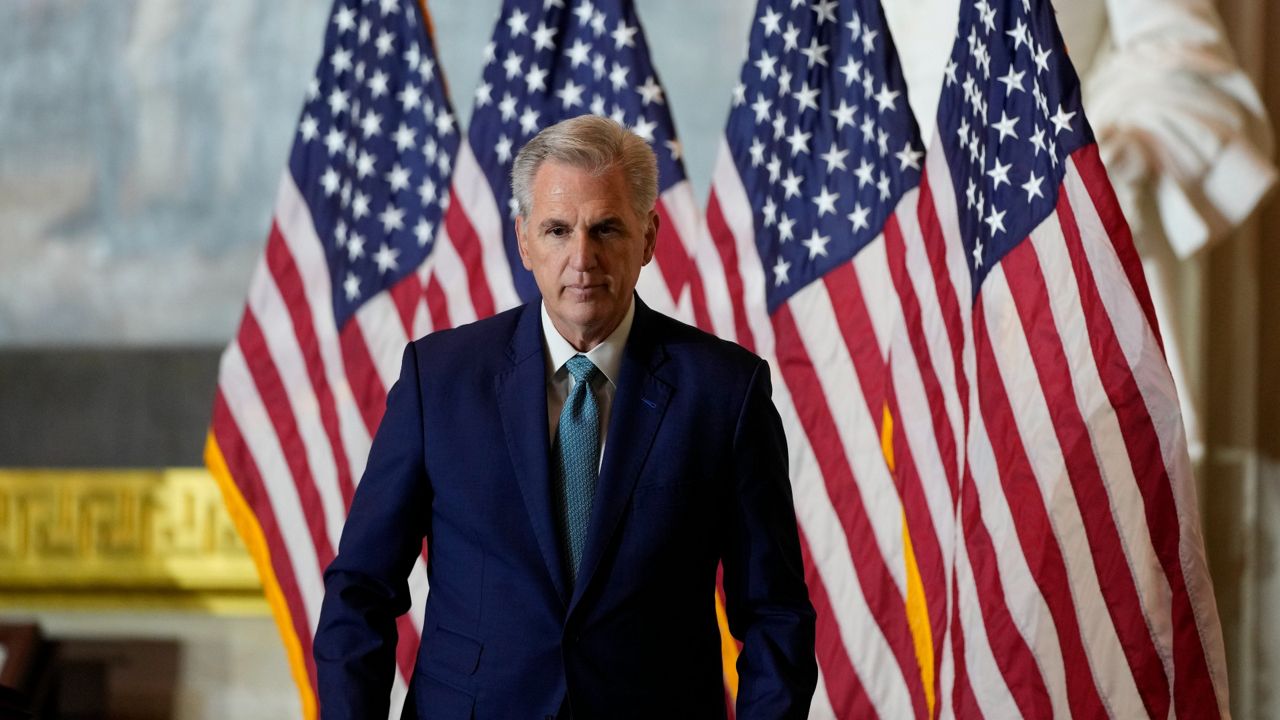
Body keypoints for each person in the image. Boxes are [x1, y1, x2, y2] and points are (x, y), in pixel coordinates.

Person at [313, 114, 818, 719]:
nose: (582, 258)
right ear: (524, 239)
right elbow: (360, 590)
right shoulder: (439, 380)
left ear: (649, 237)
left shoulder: (725, 393)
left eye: (606, 228)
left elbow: (775, 615)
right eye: (557, 230)